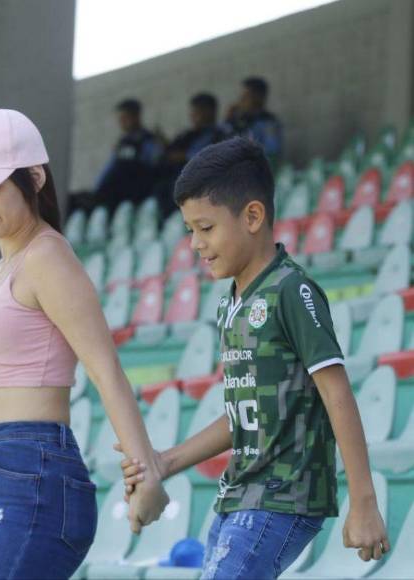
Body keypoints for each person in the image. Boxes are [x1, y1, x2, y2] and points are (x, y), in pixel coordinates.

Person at [119, 138, 389, 579]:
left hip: (282, 498)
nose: (194, 244)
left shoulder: (291, 291)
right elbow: (245, 416)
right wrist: (165, 462)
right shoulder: (232, 303)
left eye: (205, 228)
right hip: (238, 496)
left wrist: (363, 502)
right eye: (190, 230)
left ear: (252, 216)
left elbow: (337, 394)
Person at [0, 107, 170, 579]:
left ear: (34, 177)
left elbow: (105, 369)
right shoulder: (3, 268)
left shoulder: (48, 258)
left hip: (33, 478)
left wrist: (147, 473)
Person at [152, 92, 226, 221]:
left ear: (209, 111)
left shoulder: (220, 133)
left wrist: (183, 156)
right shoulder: (187, 134)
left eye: (196, 111)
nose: (192, 115)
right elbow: (169, 153)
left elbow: (208, 156)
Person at [95, 98, 162, 211]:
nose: (122, 122)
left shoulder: (148, 139)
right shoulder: (122, 143)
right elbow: (109, 169)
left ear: (136, 116)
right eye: (120, 119)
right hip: (117, 192)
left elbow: (153, 163)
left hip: (139, 190)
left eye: (125, 118)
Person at [223, 77, 283, 166]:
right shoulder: (240, 122)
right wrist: (229, 121)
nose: (241, 101)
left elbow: (271, 154)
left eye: (246, 97)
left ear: (259, 98)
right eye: (241, 97)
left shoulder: (268, 123)